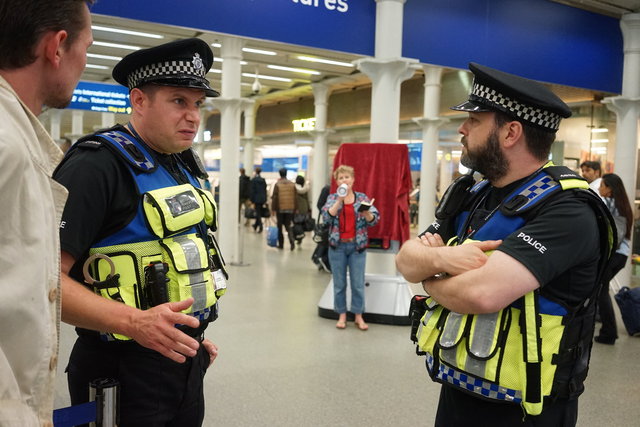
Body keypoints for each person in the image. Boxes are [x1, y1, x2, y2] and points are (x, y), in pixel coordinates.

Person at [396, 63, 613, 426]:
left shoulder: (568, 212)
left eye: (475, 120)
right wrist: (448, 256)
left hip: (526, 411)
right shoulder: (473, 194)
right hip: (458, 391)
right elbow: (405, 258)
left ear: (511, 132)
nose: (462, 129)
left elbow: (481, 294)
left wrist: (430, 277)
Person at [53, 38, 226, 426]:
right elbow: (42, 282)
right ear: (139, 101)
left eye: (198, 103)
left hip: (180, 360)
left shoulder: (181, 165)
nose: (194, 116)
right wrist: (135, 324)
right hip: (119, 371)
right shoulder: (96, 167)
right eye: (178, 101)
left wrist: (190, 336)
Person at [0, 1, 94, 425]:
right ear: (57, 47)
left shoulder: (21, 140)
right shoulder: (7, 147)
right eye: (86, 49)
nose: (84, 63)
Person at [322, 165, 379, 330]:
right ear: (337, 182)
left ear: (353, 180)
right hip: (337, 247)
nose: (344, 180)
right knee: (339, 283)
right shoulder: (333, 198)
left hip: (357, 247)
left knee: (358, 283)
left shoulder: (362, 198)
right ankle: (341, 315)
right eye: (341, 178)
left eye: (347, 177)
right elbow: (326, 217)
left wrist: (367, 214)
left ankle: (358, 316)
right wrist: (339, 201)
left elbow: (374, 219)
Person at [595, 173, 633, 345]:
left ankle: (609, 333)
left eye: (602, 185)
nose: (600, 188)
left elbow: (613, 233)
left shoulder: (611, 204)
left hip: (614, 255)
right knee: (601, 290)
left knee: (602, 291)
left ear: (610, 188)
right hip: (621, 255)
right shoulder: (621, 205)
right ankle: (608, 331)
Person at [271, 167, 298, 250]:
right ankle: (292, 241)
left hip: (280, 208)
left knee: (279, 226)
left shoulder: (277, 184)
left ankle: (281, 244)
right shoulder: (292, 184)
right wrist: (296, 208)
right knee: (288, 225)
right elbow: (295, 197)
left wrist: (273, 209)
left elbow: (275, 198)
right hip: (290, 208)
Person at [293, 175, 312, 245]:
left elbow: (294, 199)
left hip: (297, 208)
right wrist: (309, 208)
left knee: (297, 223)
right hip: (304, 207)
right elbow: (307, 199)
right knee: (302, 223)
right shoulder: (306, 188)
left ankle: (299, 236)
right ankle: (300, 236)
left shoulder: (294, 188)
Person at [249, 166, 268, 233]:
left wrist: (251, 200)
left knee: (258, 213)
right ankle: (255, 225)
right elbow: (265, 190)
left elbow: (252, 191)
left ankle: (260, 226)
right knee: (259, 212)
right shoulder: (263, 180)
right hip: (262, 199)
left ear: (255, 171)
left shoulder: (253, 180)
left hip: (256, 199)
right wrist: (265, 199)